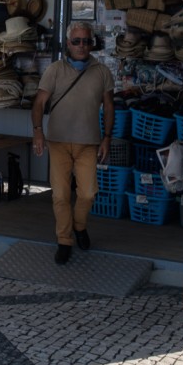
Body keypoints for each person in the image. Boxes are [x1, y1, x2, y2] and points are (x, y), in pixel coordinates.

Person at [31, 21, 115, 265]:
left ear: (92, 43)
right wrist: (37, 131)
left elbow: (109, 106)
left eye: (86, 41)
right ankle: (64, 240)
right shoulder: (55, 70)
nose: (81, 46)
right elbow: (39, 102)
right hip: (58, 142)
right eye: (76, 41)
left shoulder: (102, 72)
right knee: (60, 195)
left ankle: (79, 225)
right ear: (68, 43)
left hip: (88, 143)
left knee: (88, 193)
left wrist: (107, 137)